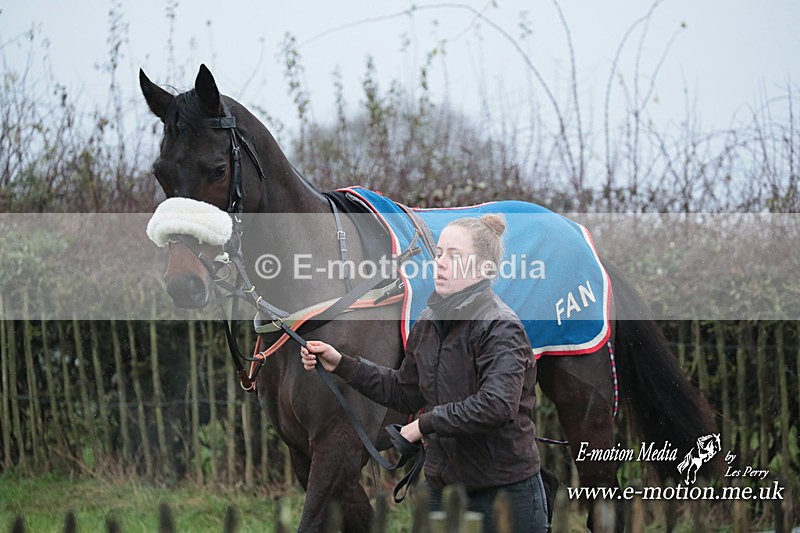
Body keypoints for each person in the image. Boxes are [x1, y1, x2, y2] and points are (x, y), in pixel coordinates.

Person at [300, 214, 549, 532]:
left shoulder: (500, 326)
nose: (440, 263)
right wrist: (343, 364)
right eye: (440, 252)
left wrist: (425, 424)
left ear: (484, 269)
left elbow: (496, 405)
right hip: (441, 488)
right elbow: (403, 390)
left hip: (504, 494)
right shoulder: (429, 322)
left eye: (454, 255)